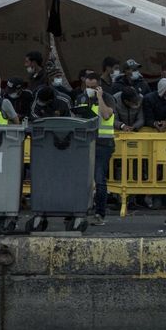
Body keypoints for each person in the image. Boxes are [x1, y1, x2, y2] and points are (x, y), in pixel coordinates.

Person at [73, 70, 115, 226]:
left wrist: (99, 98)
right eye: (87, 86)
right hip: (85, 142)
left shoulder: (108, 98)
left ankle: (100, 214)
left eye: (93, 86)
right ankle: (81, 210)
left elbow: (106, 115)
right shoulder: (81, 98)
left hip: (103, 144)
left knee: (99, 179)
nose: (89, 89)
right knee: (82, 179)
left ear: (99, 86)